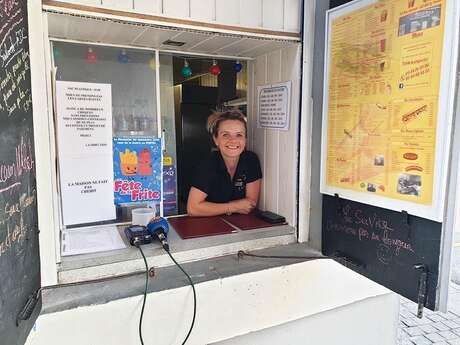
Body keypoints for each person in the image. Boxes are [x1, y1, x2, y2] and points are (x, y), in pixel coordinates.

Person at [187, 109, 262, 216]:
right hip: (208, 226)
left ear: (245, 139)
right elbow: (193, 208)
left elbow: (249, 205)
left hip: (241, 226)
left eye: (239, 135)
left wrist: (212, 207)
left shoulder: (251, 160)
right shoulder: (208, 164)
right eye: (225, 135)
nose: (233, 140)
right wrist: (234, 206)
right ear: (216, 139)